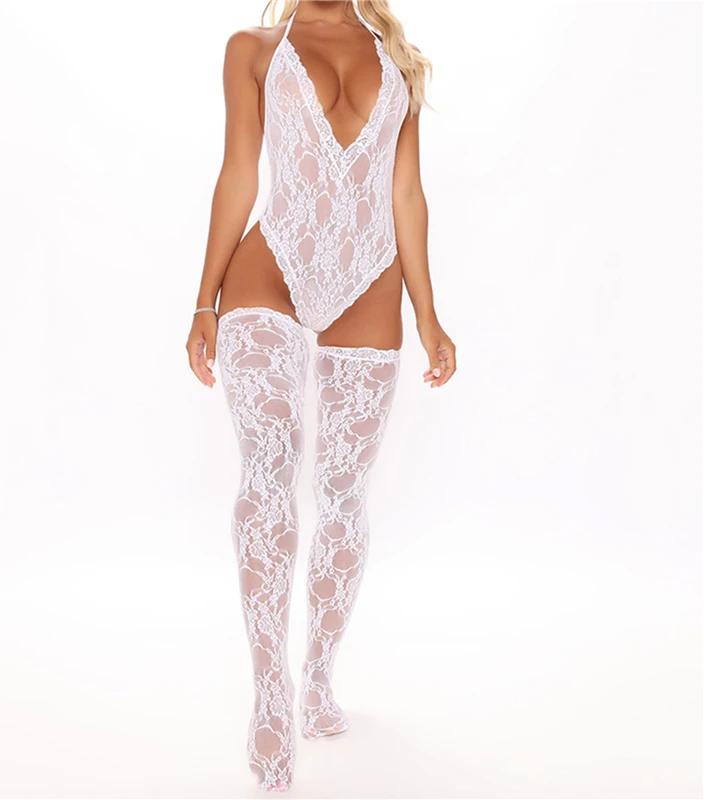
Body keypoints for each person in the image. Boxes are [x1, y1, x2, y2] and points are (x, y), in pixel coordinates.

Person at [186, 0, 456, 791]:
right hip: (268, 267)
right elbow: (240, 174)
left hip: (370, 278)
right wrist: (203, 301)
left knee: (341, 490)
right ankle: (270, 691)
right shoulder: (253, 48)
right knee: (268, 472)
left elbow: (407, 196)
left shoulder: (400, 60)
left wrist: (429, 315)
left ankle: (317, 676)